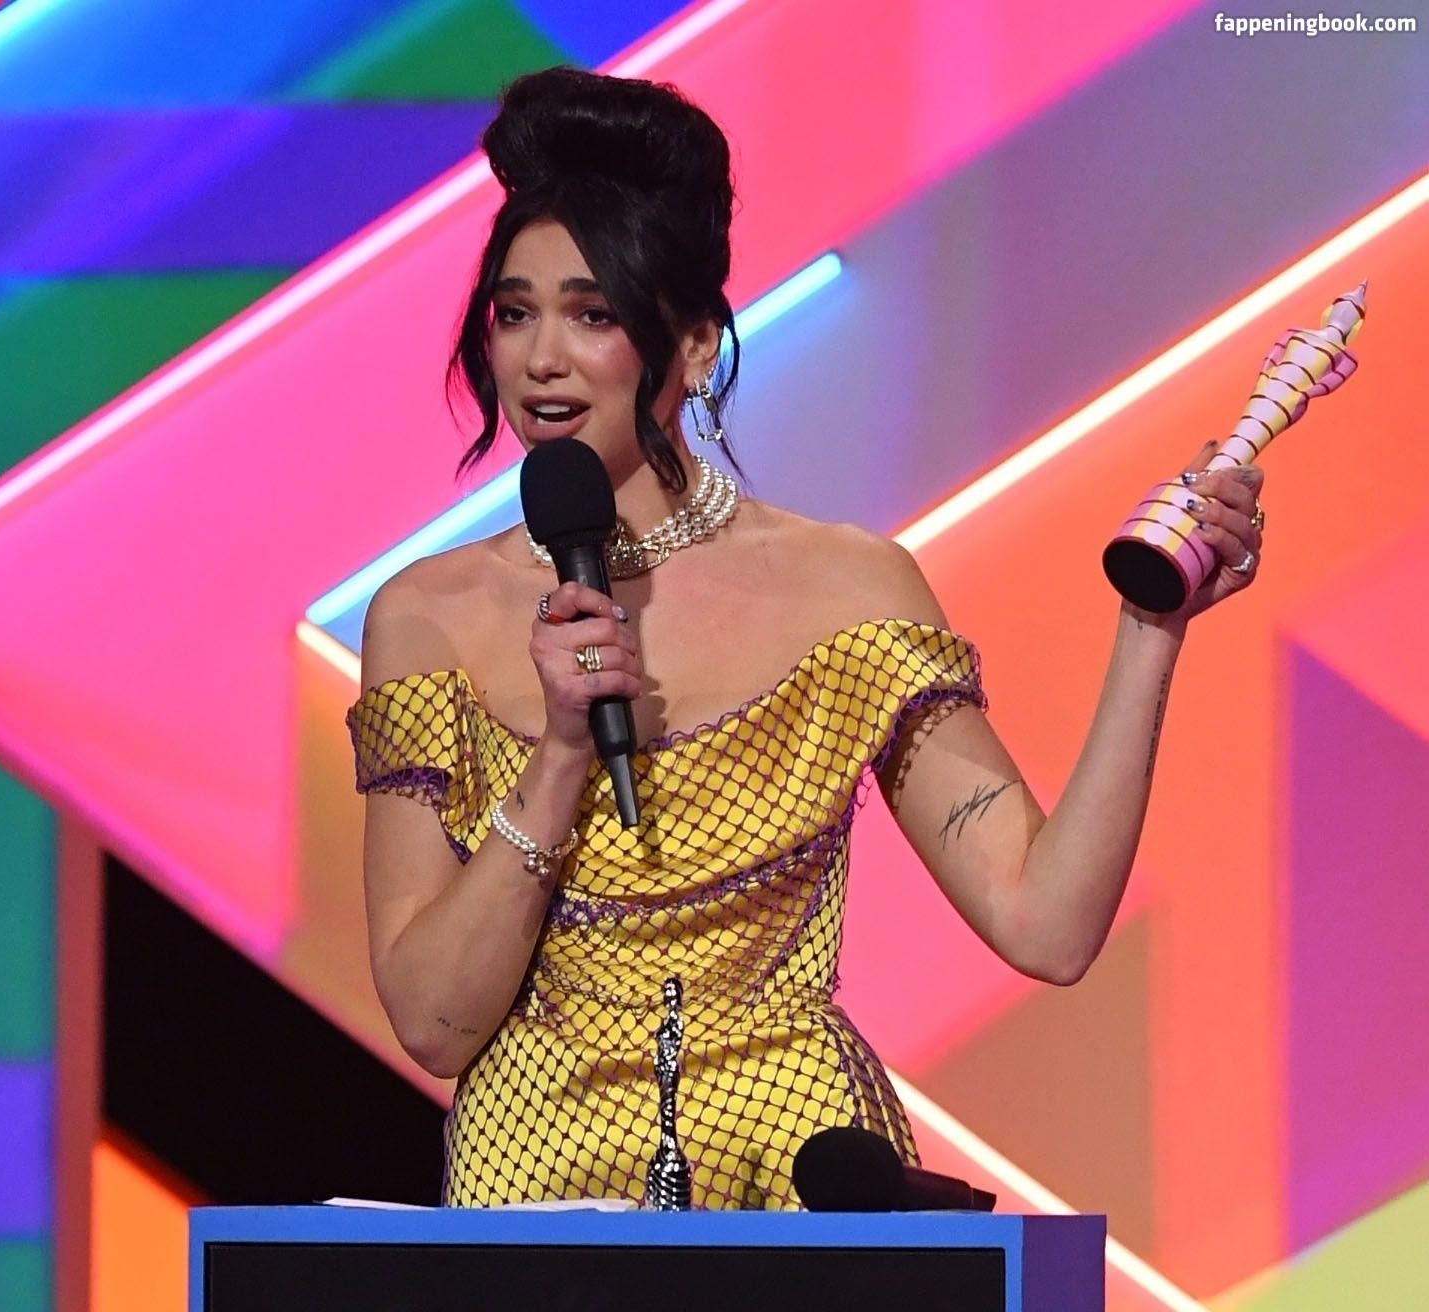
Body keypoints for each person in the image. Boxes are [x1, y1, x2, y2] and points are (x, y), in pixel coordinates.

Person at [346, 66, 1264, 1209]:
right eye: (512, 312)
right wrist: (560, 757)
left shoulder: (843, 588)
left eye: (591, 314)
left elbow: (1047, 923)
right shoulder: (426, 618)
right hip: (536, 1189)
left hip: (802, 1177)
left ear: (691, 346)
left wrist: (1148, 628)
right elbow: (433, 1022)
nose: (539, 358)